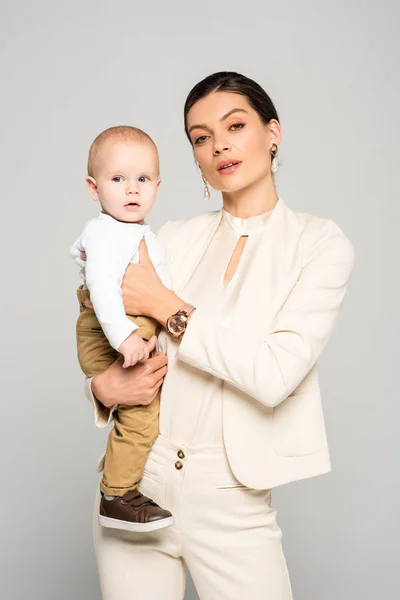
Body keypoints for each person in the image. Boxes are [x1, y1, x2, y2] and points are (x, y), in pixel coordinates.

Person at [78, 71, 355, 600]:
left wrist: (167, 305)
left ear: (273, 133)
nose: (219, 144)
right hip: (139, 483)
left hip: (233, 497)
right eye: (201, 137)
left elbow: (274, 373)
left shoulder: (319, 244)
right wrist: (99, 390)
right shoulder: (171, 240)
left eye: (235, 125)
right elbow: (106, 326)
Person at [71, 125, 175, 532]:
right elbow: (100, 287)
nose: (132, 189)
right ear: (94, 188)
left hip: (128, 328)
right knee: (141, 415)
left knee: (145, 410)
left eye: (143, 179)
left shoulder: (134, 231)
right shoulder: (106, 231)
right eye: (118, 179)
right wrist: (125, 336)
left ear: (157, 185)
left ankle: (122, 488)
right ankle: (116, 494)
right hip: (108, 331)